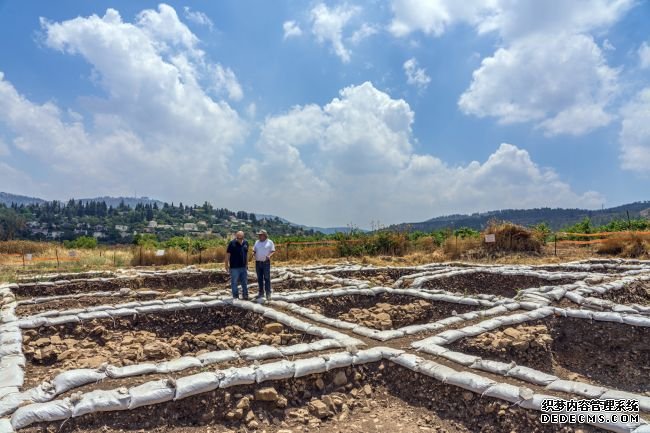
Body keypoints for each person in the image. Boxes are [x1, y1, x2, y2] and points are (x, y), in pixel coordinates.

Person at [225, 231, 249, 300]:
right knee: (234, 282)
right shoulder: (232, 244)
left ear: (243, 237)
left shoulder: (246, 243)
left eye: (241, 238)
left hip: (243, 267)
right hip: (234, 268)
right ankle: (235, 296)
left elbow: (246, 254)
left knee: (244, 282)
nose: (240, 239)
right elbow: (227, 255)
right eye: (238, 238)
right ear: (236, 237)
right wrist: (226, 265)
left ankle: (245, 295)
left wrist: (247, 264)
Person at [253, 229, 275, 300]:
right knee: (259, 278)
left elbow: (273, 251)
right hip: (258, 262)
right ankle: (261, 293)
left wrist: (269, 256)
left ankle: (268, 293)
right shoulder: (257, 242)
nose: (259, 236)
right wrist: (253, 253)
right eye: (259, 235)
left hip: (266, 263)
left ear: (265, 235)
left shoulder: (270, 242)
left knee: (267, 278)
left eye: (260, 235)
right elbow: (254, 250)